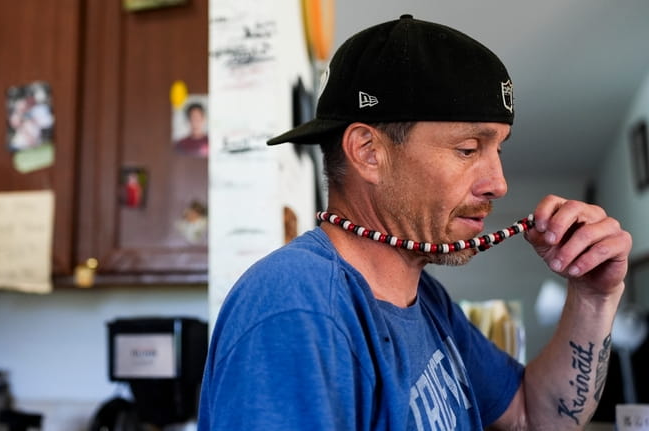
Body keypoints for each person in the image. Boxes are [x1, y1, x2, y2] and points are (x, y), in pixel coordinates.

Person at [197, 14, 632, 431]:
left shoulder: (424, 299)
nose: (498, 184)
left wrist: (594, 297)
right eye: (467, 149)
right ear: (369, 151)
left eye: (497, 149)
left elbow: (532, 416)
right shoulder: (297, 308)